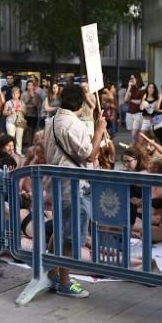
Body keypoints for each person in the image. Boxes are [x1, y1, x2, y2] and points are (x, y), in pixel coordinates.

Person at [44, 83, 108, 298]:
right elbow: (89, 155)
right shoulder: (74, 124)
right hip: (74, 186)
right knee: (71, 235)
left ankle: (52, 270)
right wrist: (99, 132)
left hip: (58, 182)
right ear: (80, 102)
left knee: (60, 228)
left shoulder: (51, 121)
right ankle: (65, 281)